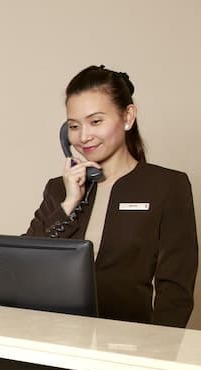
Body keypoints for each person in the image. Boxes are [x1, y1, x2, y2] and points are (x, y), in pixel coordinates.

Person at [24, 65, 197, 327]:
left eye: (96, 121)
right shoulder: (59, 189)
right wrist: (69, 204)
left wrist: (158, 346)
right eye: (74, 126)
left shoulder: (167, 186)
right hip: (57, 336)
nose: (84, 136)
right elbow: (25, 264)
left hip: (129, 341)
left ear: (128, 117)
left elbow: (176, 291)